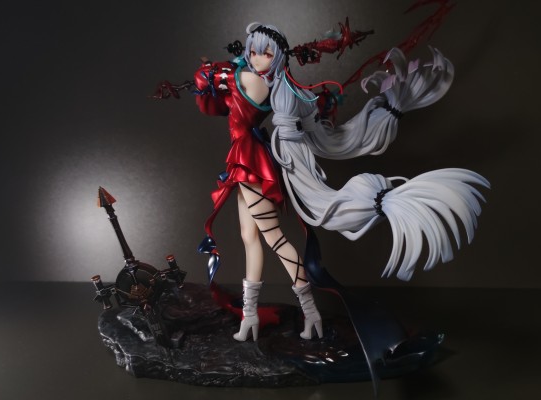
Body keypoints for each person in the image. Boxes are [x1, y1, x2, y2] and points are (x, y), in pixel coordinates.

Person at [185, 22, 489, 342]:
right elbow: (220, 99)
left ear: (278, 58)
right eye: (253, 51)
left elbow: (213, 84)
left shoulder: (252, 81)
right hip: (246, 160)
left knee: (274, 239)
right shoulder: (271, 85)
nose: (255, 57)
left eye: (265, 53)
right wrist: (222, 72)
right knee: (249, 236)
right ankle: (251, 318)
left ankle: (308, 311)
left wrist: (212, 71)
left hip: (250, 162)